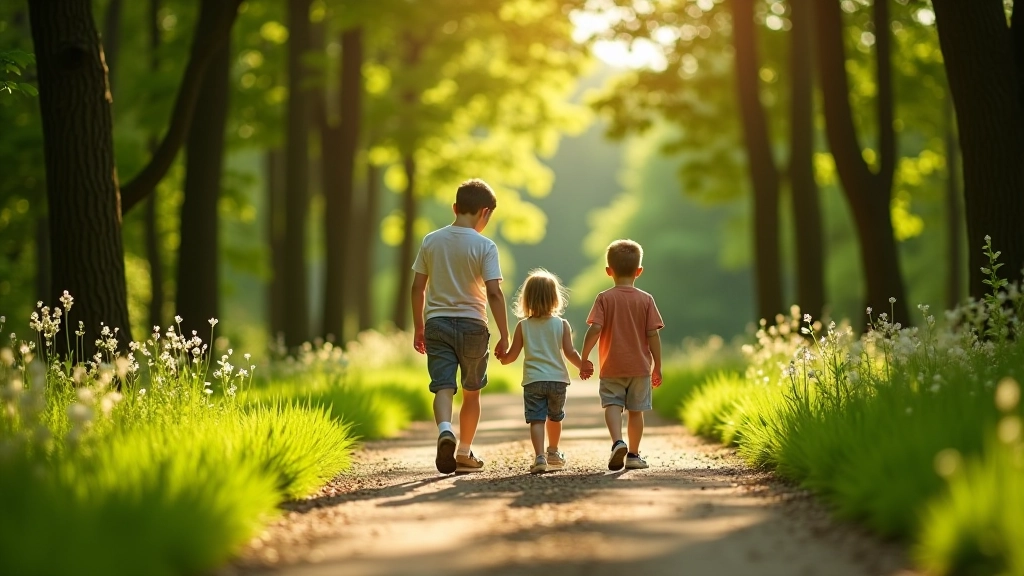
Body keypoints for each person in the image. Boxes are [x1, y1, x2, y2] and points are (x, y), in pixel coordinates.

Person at [411, 178, 510, 474]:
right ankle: (464, 452)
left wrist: (419, 326)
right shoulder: (485, 246)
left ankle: (445, 429)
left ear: (455, 208)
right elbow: (494, 292)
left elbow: (417, 288)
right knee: (471, 391)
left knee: (442, 387)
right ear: (485, 212)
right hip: (472, 325)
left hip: (437, 323)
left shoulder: (431, 240)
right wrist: (505, 334)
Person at [580, 239, 664, 471]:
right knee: (636, 411)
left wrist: (584, 357)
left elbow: (594, 329)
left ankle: (617, 441)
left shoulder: (604, 298)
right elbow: (652, 335)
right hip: (640, 367)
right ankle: (634, 455)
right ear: (639, 271)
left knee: (613, 405)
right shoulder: (646, 300)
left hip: (611, 366)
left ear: (609, 271)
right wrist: (657, 366)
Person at [500, 269, 586, 474]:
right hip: (557, 380)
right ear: (555, 298)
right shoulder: (562, 324)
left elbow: (511, 356)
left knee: (537, 419)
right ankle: (554, 452)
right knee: (555, 417)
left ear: (526, 299)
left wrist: (503, 358)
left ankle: (539, 457)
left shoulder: (523, 326)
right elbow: (570, 352)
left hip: (533, 381)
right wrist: (583, 365)